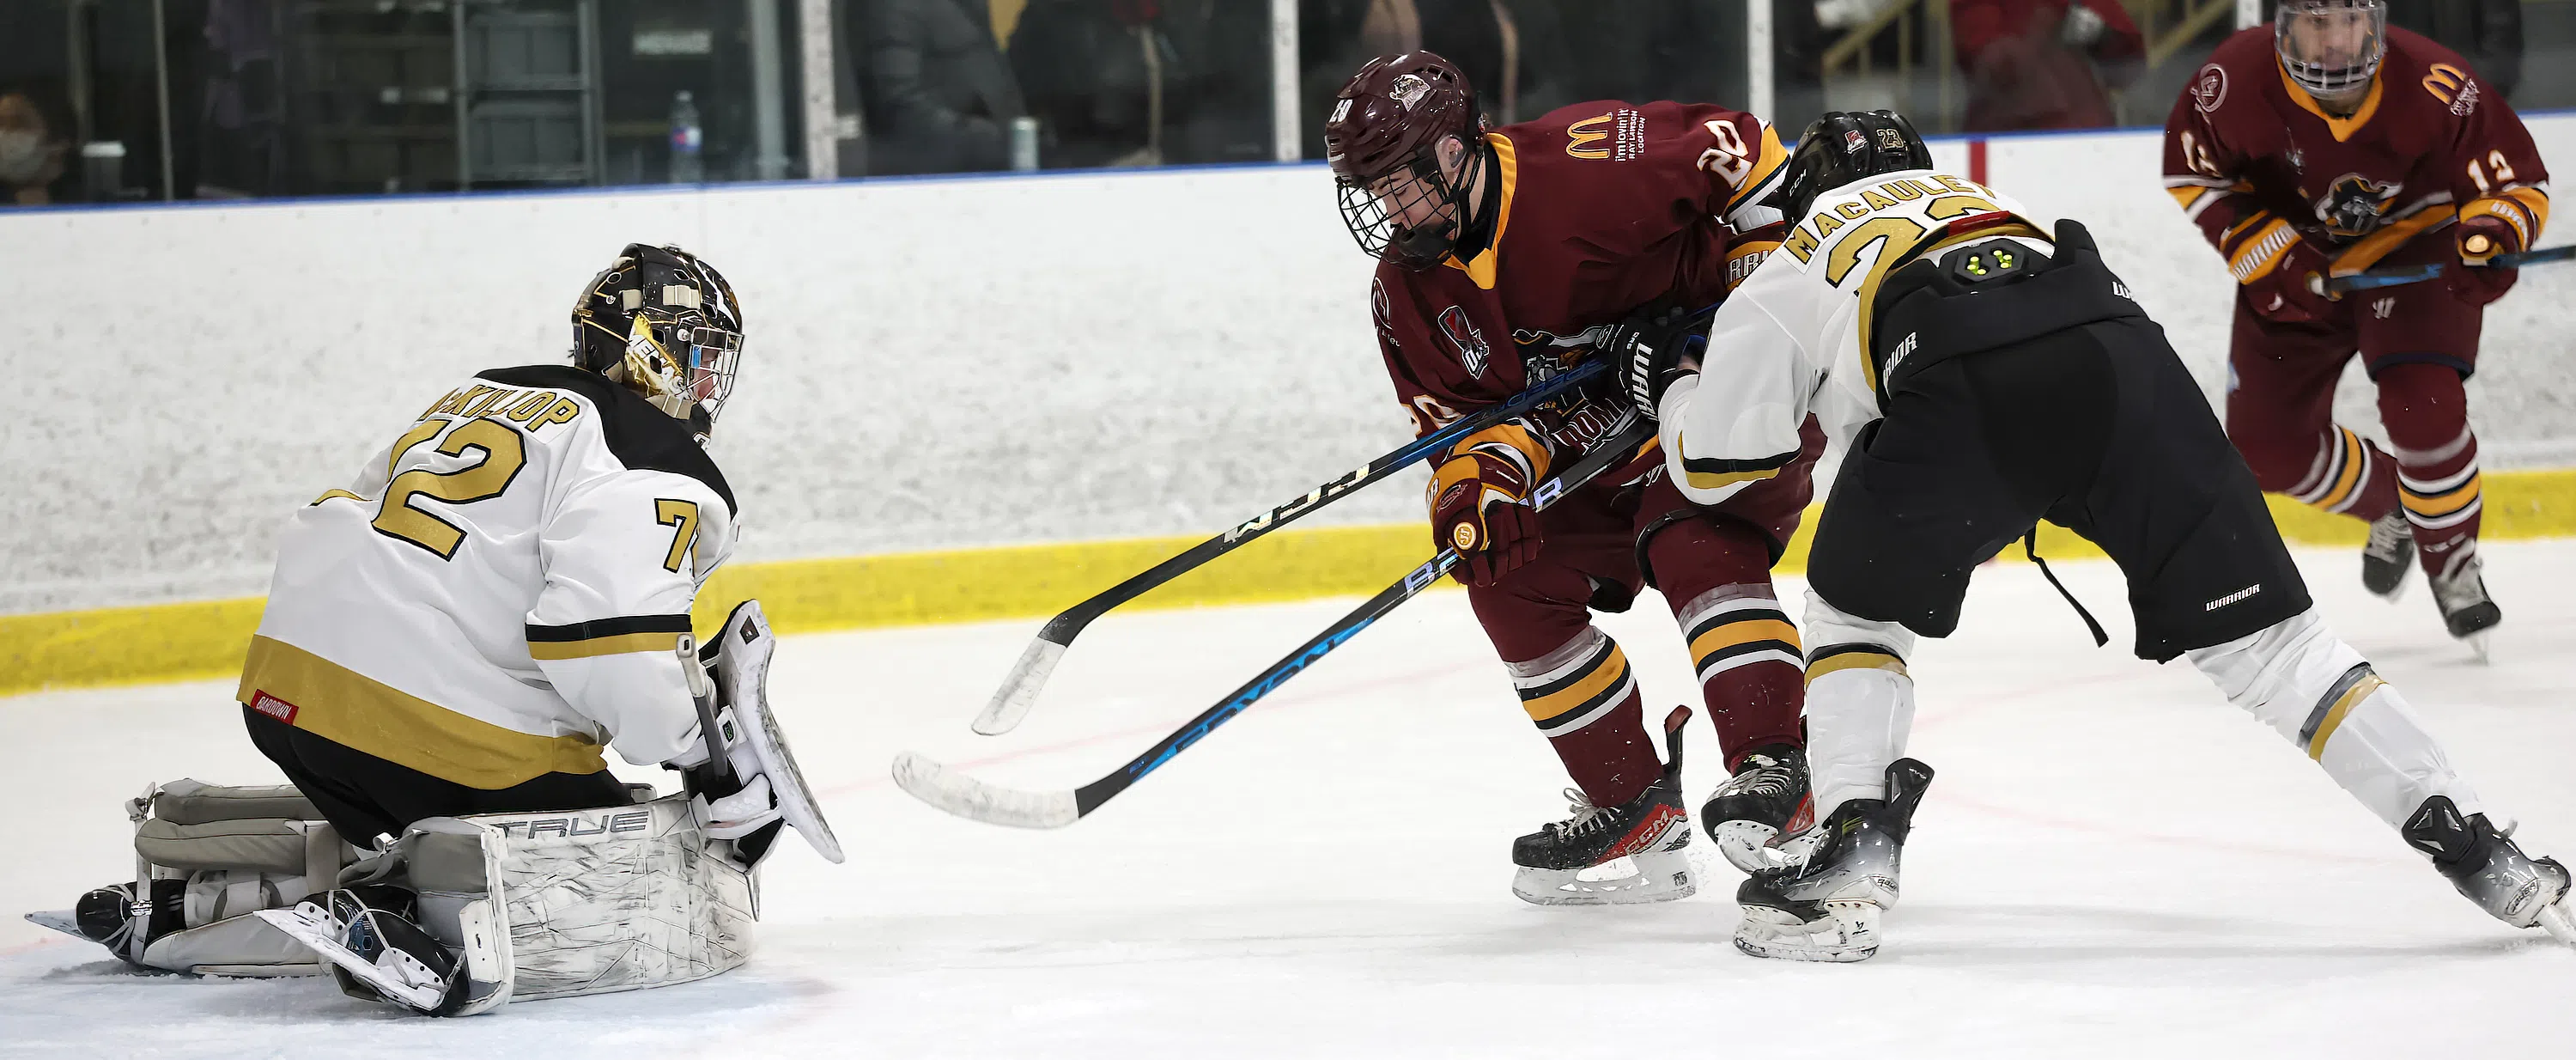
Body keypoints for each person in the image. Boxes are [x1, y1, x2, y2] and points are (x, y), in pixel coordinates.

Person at [1633, 109, 2575, 962]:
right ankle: (2482, 848)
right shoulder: (1992, 202)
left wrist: (1672, 381)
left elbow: (1717, 465)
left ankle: (1852, 851)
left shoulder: (1803, 252)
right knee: (2280, 651)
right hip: (2123, 357)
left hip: (1959, 380)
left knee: (1855, 614)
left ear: (1805, 198)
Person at [42, 245, 837, 1014]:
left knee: (436, 805)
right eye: (697, 355)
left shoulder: (484, 390)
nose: (706, 383)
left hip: (288, 695)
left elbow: (359, 521)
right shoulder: (652, 455)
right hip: (432, 729)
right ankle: (421, 917)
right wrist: (699, 751)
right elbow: (608, 641)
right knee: (613, 857)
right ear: (648, 352)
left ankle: (202, 899)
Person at [1325, 52, 1821, 907]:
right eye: (1368, 190)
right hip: (1598, 455)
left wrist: (1747, 326)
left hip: (1717, 408)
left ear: (1451, 153)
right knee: (1501, 575)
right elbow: (1460, 428)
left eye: (1394, 181)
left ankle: (1778, 775)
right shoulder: (1404, 292)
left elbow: (1753, 155)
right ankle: (1630, 799)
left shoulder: (1589, 165)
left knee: (1693, 537)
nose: (1383, 209)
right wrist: (1482, 487)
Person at [2162, 0, 2545, 655]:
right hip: (2293, 265)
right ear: (2283, 26)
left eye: (2349, 21)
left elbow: (2515, 184)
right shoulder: (2228, 83)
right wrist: (2265, 248)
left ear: (2375, 22)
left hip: (2418, 255)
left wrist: (2491, 234)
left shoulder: (2437, 84)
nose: (2336, 41)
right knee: (2267, 449)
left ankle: (2452, 563)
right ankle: (2396, 504)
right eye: (2317, 22)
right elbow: (2192, 173)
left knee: (2422, 410)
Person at [1950, 0, 2143, 131]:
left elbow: (2131, 59)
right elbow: (1987, 59)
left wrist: (2103, 34)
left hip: (2083, 131)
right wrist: (2043, 27)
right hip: (2008, 132)